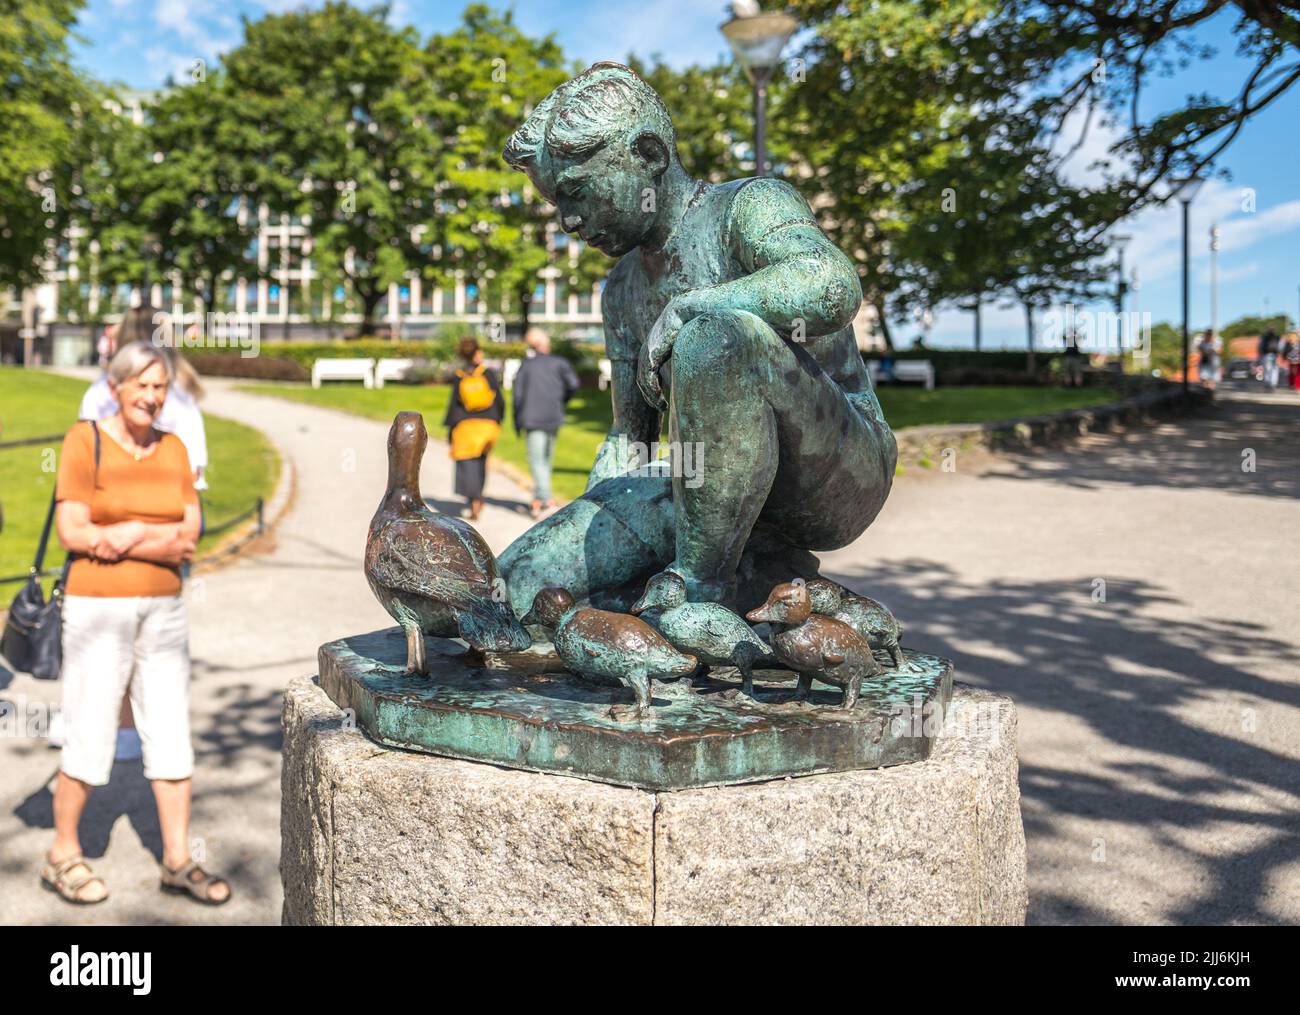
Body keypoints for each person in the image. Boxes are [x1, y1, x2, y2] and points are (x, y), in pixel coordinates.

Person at [499, 63, 896, 608]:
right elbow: (630, 439)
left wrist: (693, 306)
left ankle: (698, 596)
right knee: (512, 588)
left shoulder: (750, 206)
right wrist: (597, 524)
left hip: (835, 476)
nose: (568, 221)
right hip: (700, 486)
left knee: (715, 339)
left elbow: (830, 284)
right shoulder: (620, 289)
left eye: (576, 192)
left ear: (650, 155)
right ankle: (741, 571)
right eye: (556, 204)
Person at [43, 340, 230, 906]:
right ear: (116, 387)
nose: (150, 396)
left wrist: (124, 536)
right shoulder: (85, 440)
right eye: (141, 385)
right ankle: (63, 854)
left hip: (165, 610)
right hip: (98, 610)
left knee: (171, 731)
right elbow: (74, 533)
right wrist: (158, 538)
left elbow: (190, 535)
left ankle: (177, 860)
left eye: (159, 386)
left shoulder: (174, 449)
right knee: (92, 728)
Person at [77, 345, 209, 763]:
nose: (152, 395)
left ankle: (129, 729)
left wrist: (131, 530)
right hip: (120, 567)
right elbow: (85, 482)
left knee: (141, 649)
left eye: (159, 385)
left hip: (149, 557)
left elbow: (189, 519)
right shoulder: (104, 400)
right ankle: (121, 729)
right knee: (121, 651)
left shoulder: (180, 406)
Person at [513, 328, 579, 518]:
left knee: (537, 461)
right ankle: (537, 500)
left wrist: (517, 420)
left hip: (533, 419)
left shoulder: (526, 366)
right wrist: (562, 401)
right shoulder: (559, 363)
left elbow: (518, 396)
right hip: (553, 416)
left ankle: (546, 500)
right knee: (546, 460)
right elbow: (573, 384)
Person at [445, 336, 504, 521]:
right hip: (487, 425)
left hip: (465, 426)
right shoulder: (488, 374)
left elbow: (454, 406)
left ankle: (473, 499)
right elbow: (500, 401)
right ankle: (479, 496)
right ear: (477, 352)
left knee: (467, 464)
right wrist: (498, 419)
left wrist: (450, 430)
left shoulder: (460, 376)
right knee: (481, 462)